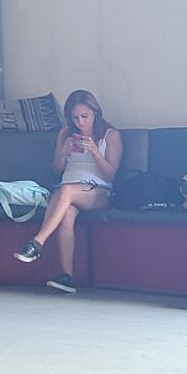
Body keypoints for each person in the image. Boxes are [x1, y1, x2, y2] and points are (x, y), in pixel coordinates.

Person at [15, 89, 122, 294]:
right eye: (75, 118)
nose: (80, 123)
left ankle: (37, 243)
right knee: (65, 213)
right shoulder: (65, 133)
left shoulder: (111, 135)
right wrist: (63, 152)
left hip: (98, 192)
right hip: (68, 189)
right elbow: (56, 170)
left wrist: (95, 152)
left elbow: (110, 176)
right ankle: (67, 276)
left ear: (95, 114)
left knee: (65, 192)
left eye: (85, 117)